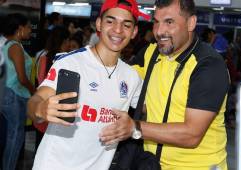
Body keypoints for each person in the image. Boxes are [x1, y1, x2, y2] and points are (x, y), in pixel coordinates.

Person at [100, 0, 230, 169]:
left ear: (191, 23)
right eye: (156, 22)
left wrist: (134, 127)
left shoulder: (208, 65)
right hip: (151, 163)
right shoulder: (151, 53)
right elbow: (117, 83)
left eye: (169, 22)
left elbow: (192, 134)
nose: (159, 31)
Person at [27, 0, 149, 169]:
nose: (118, 30)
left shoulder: (132, 76)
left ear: (134, 31)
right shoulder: (71, 63)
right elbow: (36, 100)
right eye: (110, 21)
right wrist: (40, 109)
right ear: (98, 24)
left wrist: (134, 128)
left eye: (126, 25)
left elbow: (150, 109)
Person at [1, 13, 35, 170]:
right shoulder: (15, 46)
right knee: (15, 137)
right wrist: (34, 91)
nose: (30, 30)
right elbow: (22, 77)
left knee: (13, 136)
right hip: (13, 95)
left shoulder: (11, 45)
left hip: (11, 94)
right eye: (29, 27)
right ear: (20, 28)